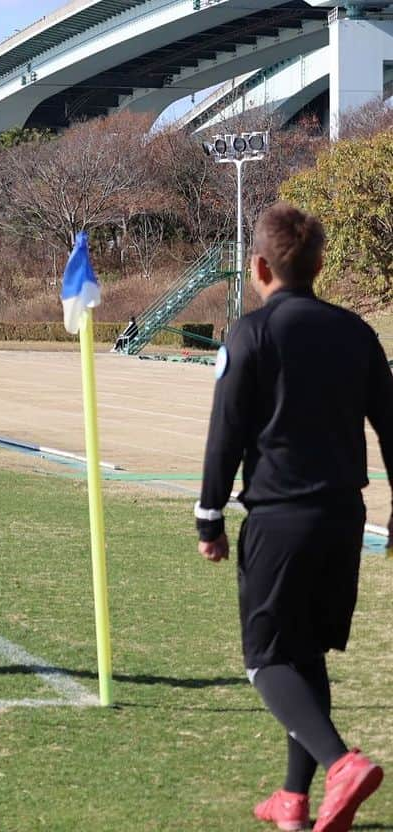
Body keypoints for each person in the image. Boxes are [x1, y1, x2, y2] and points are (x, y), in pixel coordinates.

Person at [195, 203, 390, 832]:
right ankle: (292, 799)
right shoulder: (357, 331)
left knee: (266, 660)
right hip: (344, 519)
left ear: (259, 267)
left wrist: (208, 516)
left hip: (281, 519)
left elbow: (225, 433)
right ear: (320, 264)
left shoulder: (249, 334)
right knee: (305, 655)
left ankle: (341, 764)